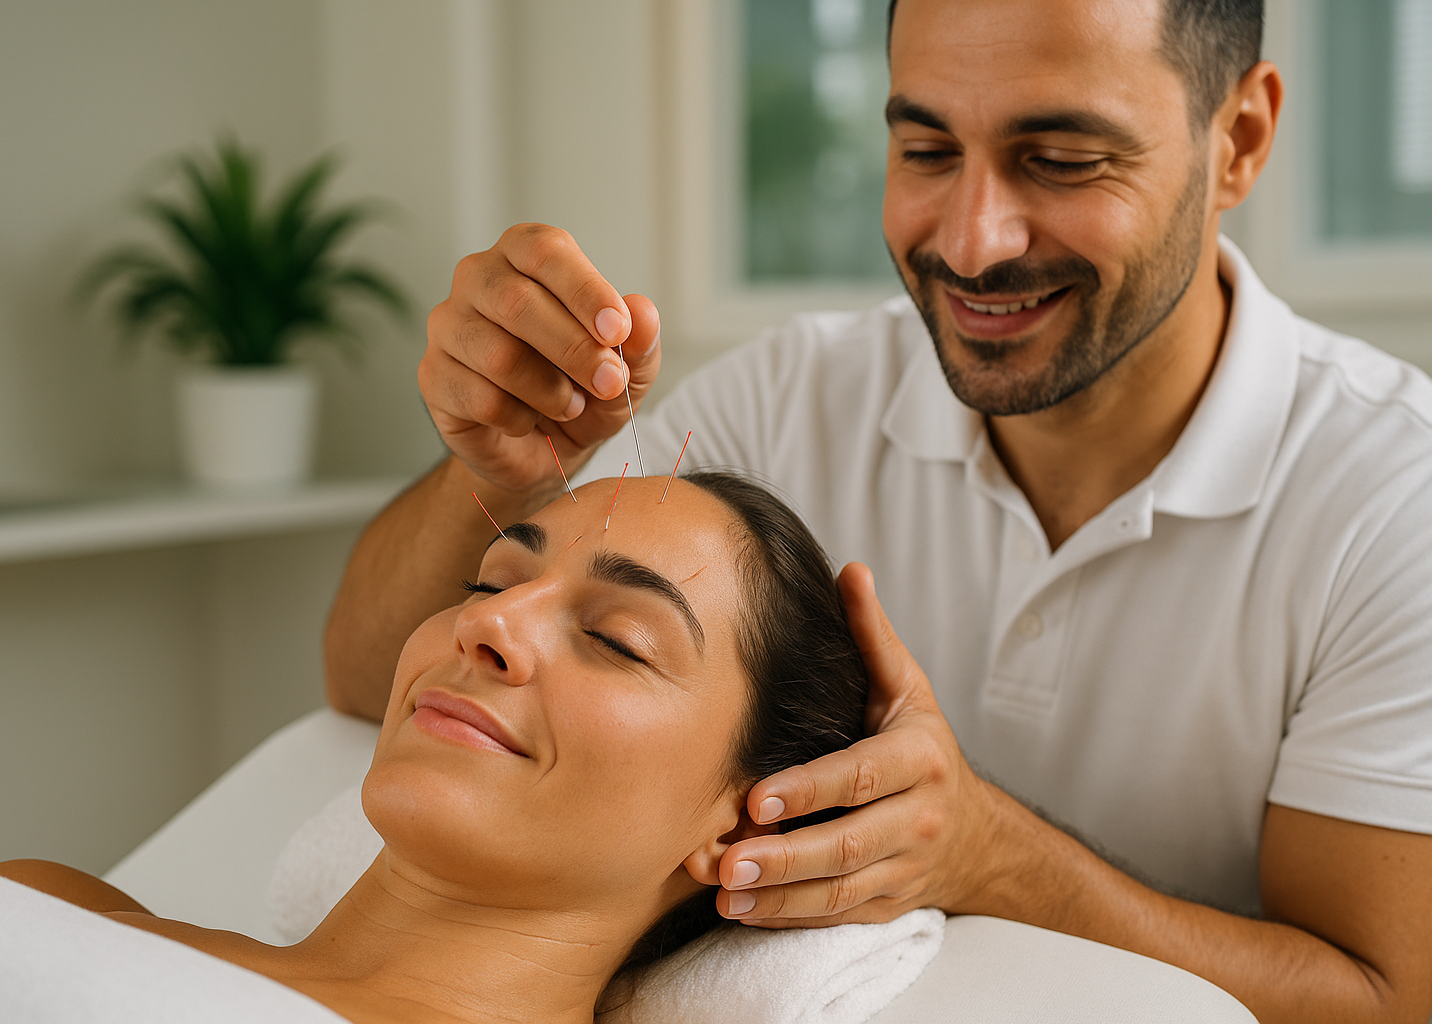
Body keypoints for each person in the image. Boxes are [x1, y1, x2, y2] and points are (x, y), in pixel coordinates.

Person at [322, 0, 1432, 1021]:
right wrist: (504, 475)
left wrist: (997, 860)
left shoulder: (1395, 502)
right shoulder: (789, 398)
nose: (972, 240)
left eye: (1060, 159)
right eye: (926, 151)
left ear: (1238, 137)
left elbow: (1388, 998)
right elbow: (369, 675)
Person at [0, 473, 870, 1023]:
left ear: (744, 818)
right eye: (489, 581)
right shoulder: (46, 900)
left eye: (618, 639)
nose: (486, 626)